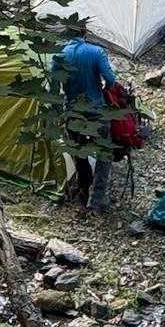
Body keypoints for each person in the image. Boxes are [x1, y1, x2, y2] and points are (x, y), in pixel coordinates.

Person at [53, 36, 117, 210]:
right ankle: (98, 196)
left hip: (73, 112)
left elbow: (54, 88)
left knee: (79, 151)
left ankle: (84, 187)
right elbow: (110, 78)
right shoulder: (96, 51)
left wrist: (58, 111)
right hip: (96, 111)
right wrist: (104, 89)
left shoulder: (59, 56)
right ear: (84, 32)